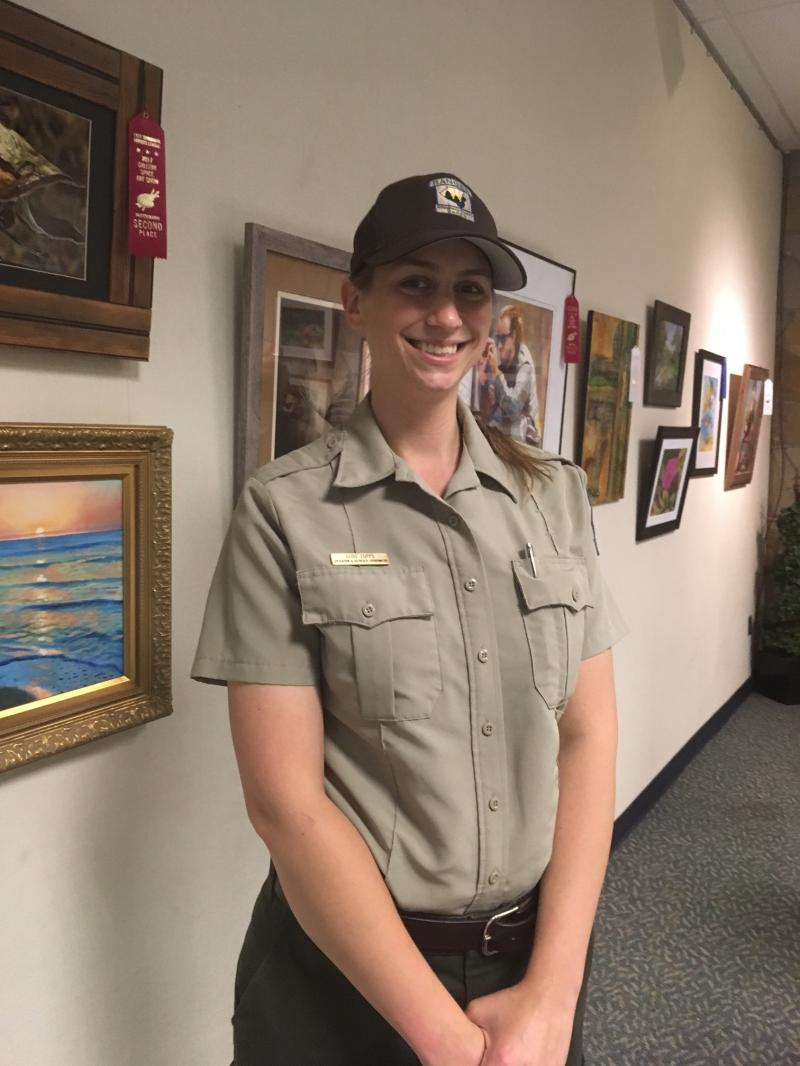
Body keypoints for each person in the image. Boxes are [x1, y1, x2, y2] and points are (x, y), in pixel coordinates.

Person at [192, 172, 625, 1066]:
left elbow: (588, 739)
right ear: (356, 301)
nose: (447, 316)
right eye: (415, 283)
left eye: (471, 290)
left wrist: (552, 996)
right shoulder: (284, 511)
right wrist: (448, 1040)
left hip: (531, 967)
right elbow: (285, 805)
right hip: (343, 980)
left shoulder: (554, 498)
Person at [479, 304, 541, 446]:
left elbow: (513, 409)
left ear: (513, 336)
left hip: (523, 440)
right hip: (504, 435)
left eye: (503, 338)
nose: (499, 345)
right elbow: (489, 410)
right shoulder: (500, 359)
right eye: (497, 338)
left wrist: (496, 374)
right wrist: (483, 375)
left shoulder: (525, 365)